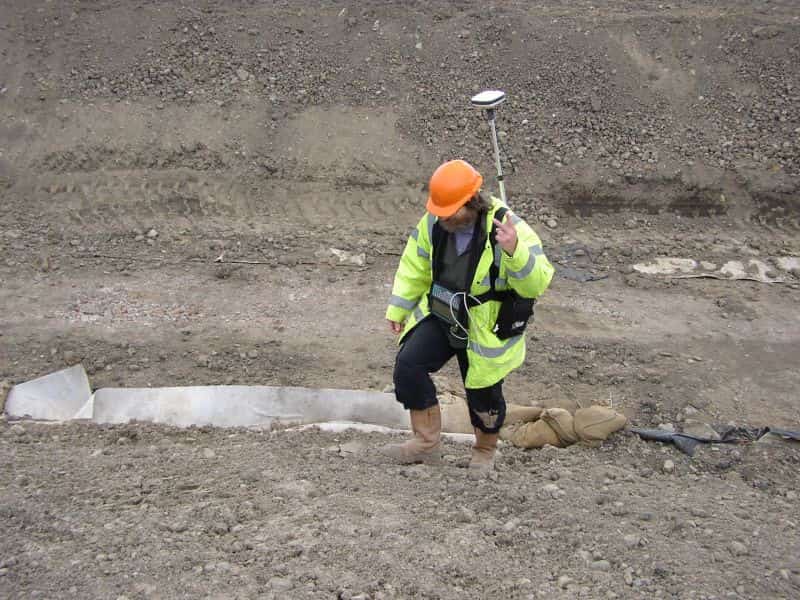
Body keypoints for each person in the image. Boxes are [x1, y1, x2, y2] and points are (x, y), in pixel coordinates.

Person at [382, 159, 555, 475]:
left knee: (483, 392)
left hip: (484, 324)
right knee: (409, 365)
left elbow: (537, 282)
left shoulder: (507, 228)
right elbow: (415, 265)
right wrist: (399, 308)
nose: (443, 216)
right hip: (443, 311)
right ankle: (425, 444)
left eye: (450, 211)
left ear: (471, 202)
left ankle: (485, 451)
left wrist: (516, 252)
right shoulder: (435, 222)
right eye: (440, 210)